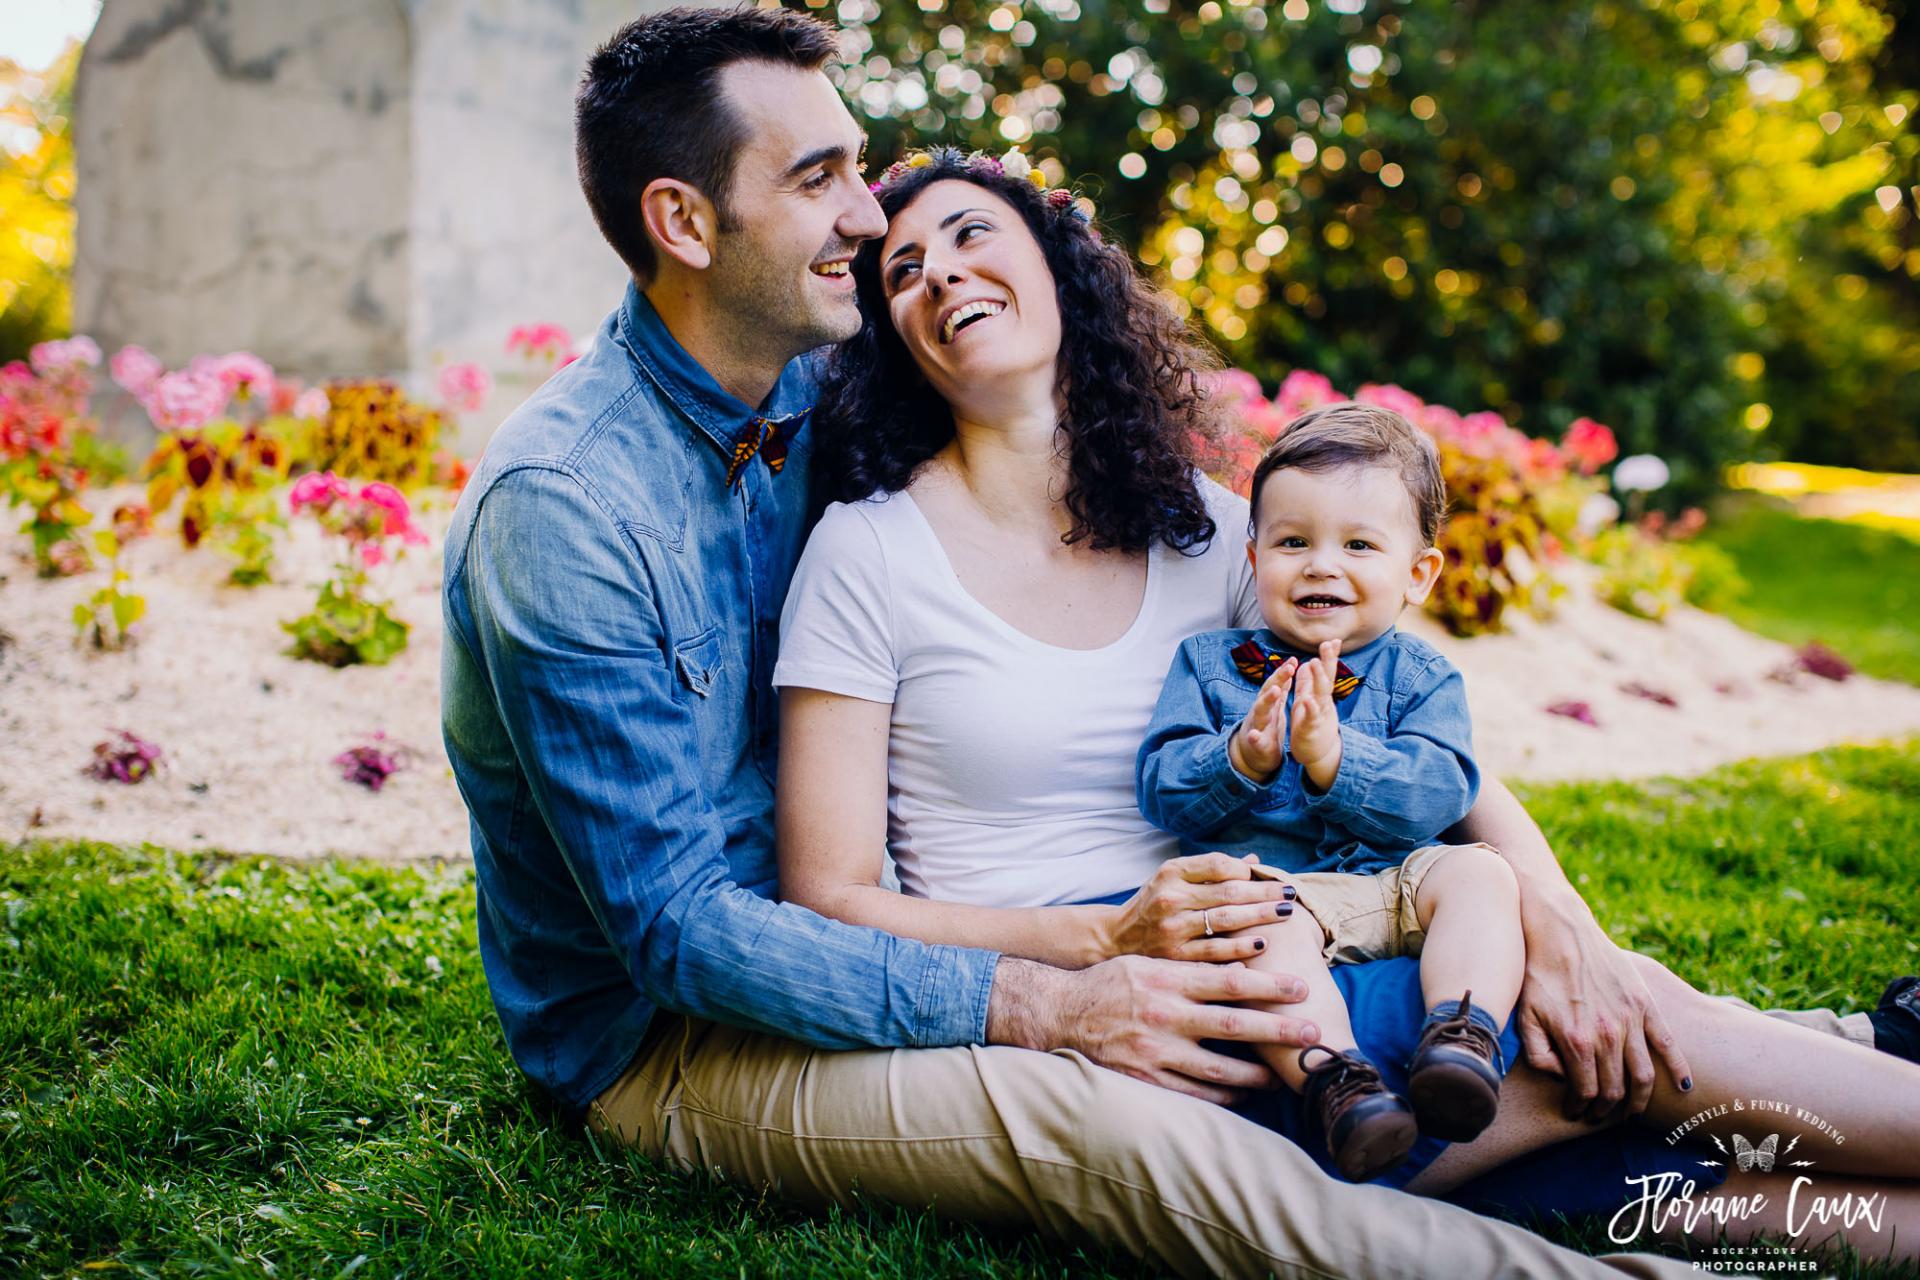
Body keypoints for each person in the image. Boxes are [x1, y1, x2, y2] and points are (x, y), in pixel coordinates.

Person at [771, 141, 1920, 1263]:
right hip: (1155, 1020)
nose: (940, 274)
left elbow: (1424, 747)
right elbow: (828, 893)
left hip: (1299, 933)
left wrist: (1566, 923)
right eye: (903, 270)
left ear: (1059, 265)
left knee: (1671, 1156)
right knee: (1623, 1060)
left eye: (973, 233)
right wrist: (1092, 945)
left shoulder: (1210, 529)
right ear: (893, 342)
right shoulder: (869, 553)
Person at [1134, 403, 1521, 1182]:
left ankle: (1461, 1037)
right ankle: (1338, 1084)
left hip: (1396, 883)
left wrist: (1336, 761)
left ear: (1418, 572)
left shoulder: (1424, 678)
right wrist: (1239, 759)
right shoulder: (1209, 666)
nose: (1320, 564)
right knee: (1253, 925)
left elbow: (1442, 792)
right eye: (1292, 541)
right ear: (1253, 559)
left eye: (1358, 545)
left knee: (1483, 875)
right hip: (1279, 889)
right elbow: (1161, 789)